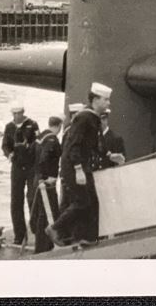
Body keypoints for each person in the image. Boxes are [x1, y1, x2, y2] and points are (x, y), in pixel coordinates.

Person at [46, 83, 111, 247]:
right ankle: (55, 228)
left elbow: (94, 145)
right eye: (106, 99)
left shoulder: (93, 118)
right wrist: (78, 170)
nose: (109, 103)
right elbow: (73, 145)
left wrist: (110, 155)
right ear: (95, 100)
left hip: (82, 165)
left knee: (92, 202)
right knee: (82, 202)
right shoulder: (84, 117)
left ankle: (88, 239)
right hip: (74, 167)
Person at [1, 103, 40, 245]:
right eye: (14, 114)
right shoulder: (9, 127)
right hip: (17, 167)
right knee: (16, 201)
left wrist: (29, 148)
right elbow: (5, 145)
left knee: (32, 198)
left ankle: (36, 230)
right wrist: (9, 154)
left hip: (30, 167)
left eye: (19, 113)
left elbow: (37, 142)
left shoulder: (32, 125)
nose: (17, 116)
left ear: (23, 112)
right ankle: (20, 234)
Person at [31, 116, 63, 253]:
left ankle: (43, 245)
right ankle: (42, 248)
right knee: (46, 214)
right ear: (59, 126)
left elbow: (32, 155)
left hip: (36, 178)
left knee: (41, 213)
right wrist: (49, 177)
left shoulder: (40, 137)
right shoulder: (52, 139)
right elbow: (45, 157)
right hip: (45, 182)